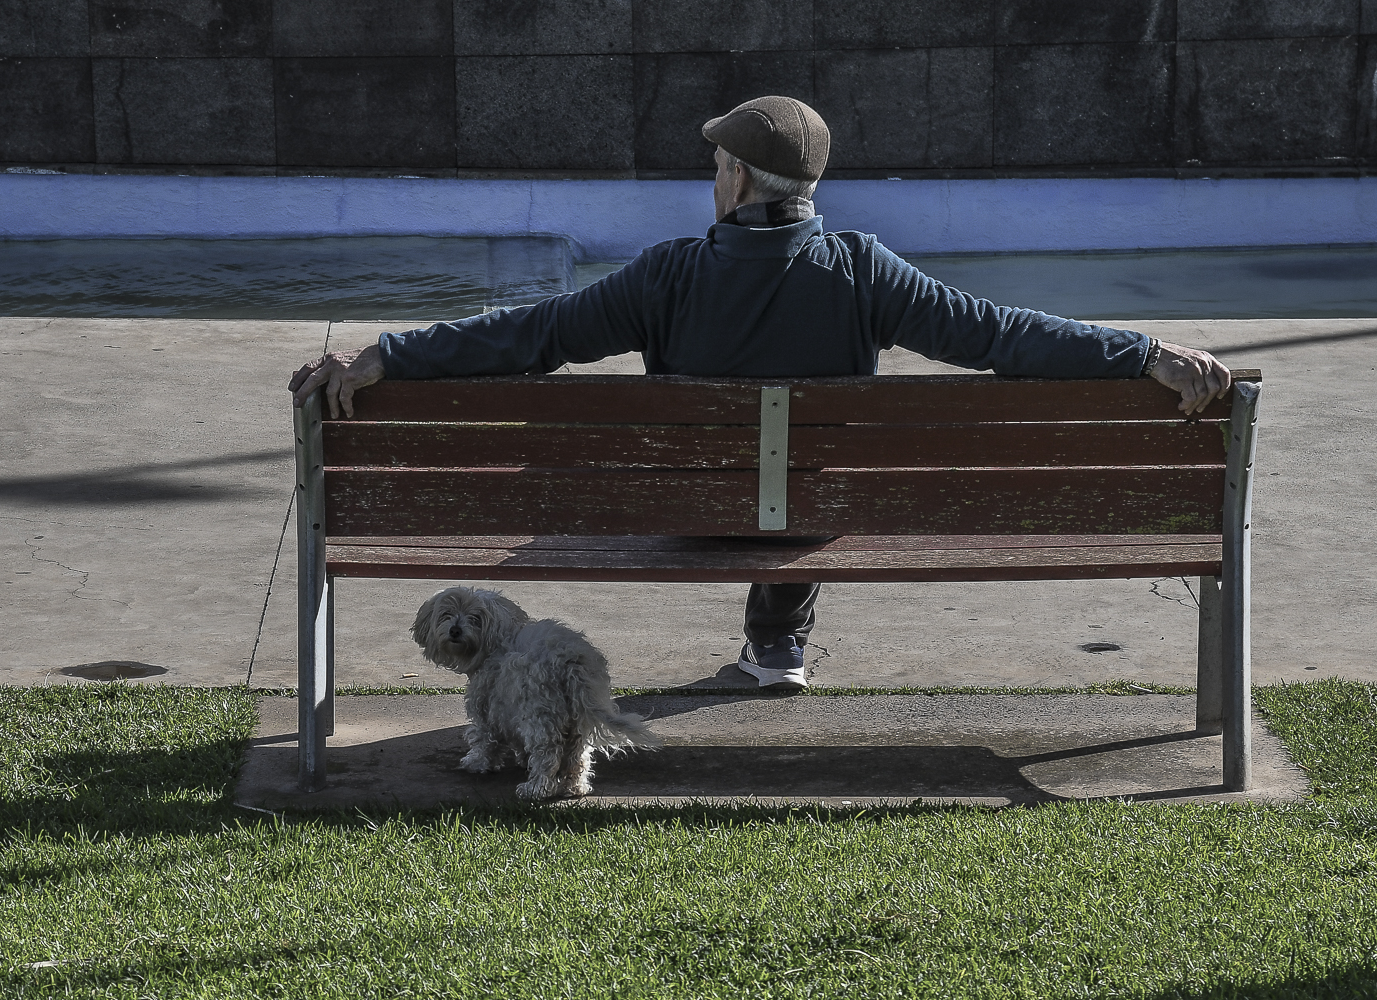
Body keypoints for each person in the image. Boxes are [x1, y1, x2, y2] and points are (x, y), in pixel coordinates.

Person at [290, 95, 1232, 692]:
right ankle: (778, 643)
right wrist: (1140, 349)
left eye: (715, 166)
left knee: (746, 471)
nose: (712, 176)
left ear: (737, 177)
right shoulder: (868, 272)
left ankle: (770, 632)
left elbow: (529, 338)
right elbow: (1002, 338)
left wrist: (388, 355)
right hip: (811, 519)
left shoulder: (661, 276)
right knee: (802, 475)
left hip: (684, 511)